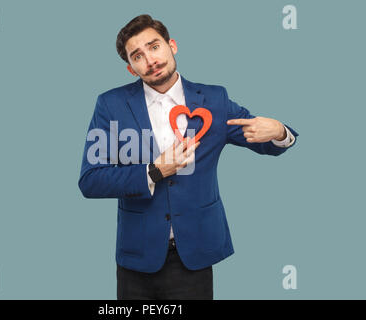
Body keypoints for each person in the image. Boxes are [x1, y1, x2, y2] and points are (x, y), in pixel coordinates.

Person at [78, 14, 299, 300]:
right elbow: (91, 180)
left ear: (172, 45)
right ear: (131, 68)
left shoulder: (214, 100)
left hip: (194, 253)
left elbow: (262, 140)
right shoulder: (110, 105)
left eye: (154, 46)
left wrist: (280, 131)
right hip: (138, 256)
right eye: (138, 56)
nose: (150, 59)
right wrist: (154, 171)